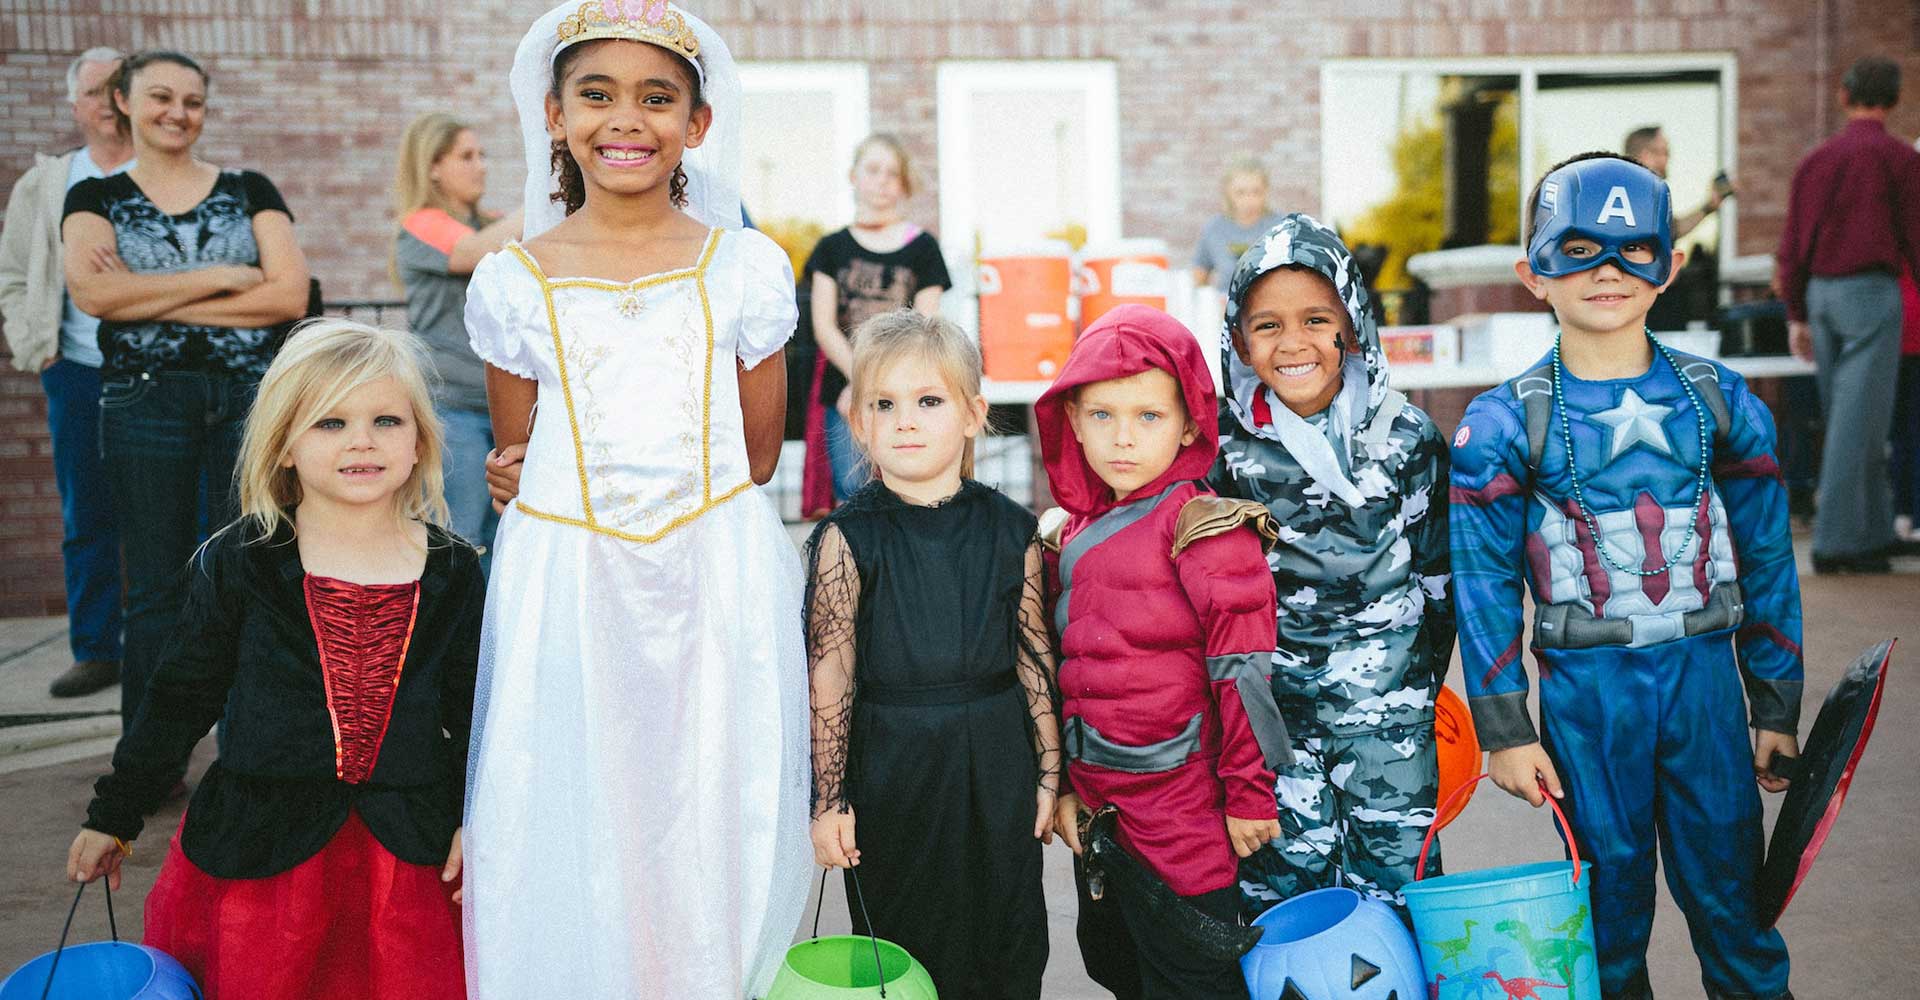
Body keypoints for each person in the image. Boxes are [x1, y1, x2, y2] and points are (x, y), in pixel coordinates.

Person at [459, 4, 809, 996]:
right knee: (577, 792)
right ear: (555, 115)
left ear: (697, 124)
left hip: (709, 567)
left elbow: (755, 448)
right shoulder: (515, 279)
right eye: (598, 95)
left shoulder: (739, 268)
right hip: (569, 572)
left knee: (708, 789)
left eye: (658, 98)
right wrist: (524, 474)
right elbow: (520, 449)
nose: (628, 119)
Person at [1452, 152, 1802, 1000]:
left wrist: (1776, 702)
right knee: (1604, 920)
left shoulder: (1720, 398)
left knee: (1736, 907)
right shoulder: (1503, 422)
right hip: (1585, 693)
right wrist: (1504, 728)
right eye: (1576, 249)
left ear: (1668, 267)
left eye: (1632, 250)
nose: (1606, 270)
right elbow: (1484, 581)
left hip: (1704, 687)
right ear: (1532, 273)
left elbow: (1765, 556)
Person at [65, 319, 482, 1000]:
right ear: (284, 444)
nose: (361, 440)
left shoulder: (455, 571)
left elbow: (475, 710)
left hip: (410, 854)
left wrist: (476, 817)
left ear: (419, 442)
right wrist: (115, 813)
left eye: (385, 420)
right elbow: (180, 696)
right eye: (329, 423)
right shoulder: (242, 562)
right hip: (263, 851)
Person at [61, 49, 310, 758]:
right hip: (144, 403)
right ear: (124, 103)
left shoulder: (250, 186)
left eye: (193, 100)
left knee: (248, 573)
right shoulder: (94, 199)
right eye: (161, 97)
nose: (178, 112)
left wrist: (151, 297)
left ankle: (249, 750)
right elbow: (95, 296)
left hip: (246, 401)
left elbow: (288, 296)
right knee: (157, 589)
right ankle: (151, 756)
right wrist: (229, 278)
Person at [1037, 304, 1290, 999]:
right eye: (1102, 416)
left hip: (1185, 814)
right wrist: (1064, 788)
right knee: (1119, 970)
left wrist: (1248, 793)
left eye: (1148, 416)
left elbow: (1244, 674)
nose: (1123, 438)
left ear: (1187, 423)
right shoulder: (1069, 532)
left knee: (1192, 978)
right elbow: (1065, 677)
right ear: (1073, 421)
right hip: (1101, 817)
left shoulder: (1203, 528)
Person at [805, 309, 1058, 1000]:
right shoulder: (847, 538)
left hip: (997, 758)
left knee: (1008, 939)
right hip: (895, 769)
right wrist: (828, 801)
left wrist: (1049, 773)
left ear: (973, 414)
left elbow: (1035, 651)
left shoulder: (1013, 529)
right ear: (858, 422)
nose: (906, 421)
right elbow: (831, 670)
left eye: (928, 401)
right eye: (884, 405)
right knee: (905, 945)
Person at [1209, 214, 1455, 915]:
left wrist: (1404, 689)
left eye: (1317, 319)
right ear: (1237, 338)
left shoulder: (1405, 436)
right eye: (1267, 326)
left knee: (1402, 895)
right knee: (1288, 905)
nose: (1294, 343)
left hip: (1389, 721)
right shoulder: (1224, 450)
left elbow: (1439, 584)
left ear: (1351, 323)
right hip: (1273, 731)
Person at [0, 47, 131, 698]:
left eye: (120, 87)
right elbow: (15, 273)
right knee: (87, 513)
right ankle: (97, 649)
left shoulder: (160, 171)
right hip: (76, 371)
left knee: (178, 513)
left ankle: (181, 648)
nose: (109, 101)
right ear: (75, 106)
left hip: (158, 374)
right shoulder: (47, 183)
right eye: (96, 91)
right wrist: (37, 349)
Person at [1775, 56, 1920, 574]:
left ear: (1843, 95)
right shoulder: (1900, 159)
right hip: (1871, 295)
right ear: (1895, 100)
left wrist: (1795, 311)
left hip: (1821, 296)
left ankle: (1875, 530)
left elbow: (1792, 240)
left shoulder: (1817, 160)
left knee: (1852, 416)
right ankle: (1837, 544)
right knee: (1859, 423)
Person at [392, 112, 523, 563]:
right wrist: (543, 202)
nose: (480, 165)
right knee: (458, 540)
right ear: (432, 166)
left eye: (481, 155)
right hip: (451, 408)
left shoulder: (495, 221)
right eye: (466, 156)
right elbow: (470, 252)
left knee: (509, 539)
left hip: (509, 407)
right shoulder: (422, 223)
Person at [801, 133, 951, 513]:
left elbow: (925, 325)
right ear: (854, 176)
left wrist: (882, 387)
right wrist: (862, 383)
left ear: (903, 184)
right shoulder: (831, 248)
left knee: (908, 489)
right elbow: (824, 326)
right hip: (846, 390)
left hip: (907, 390)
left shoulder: (923, 249)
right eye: (873, 169)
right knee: (854, 490)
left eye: (892, 173)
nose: (883, 180)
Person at [1622, 124, 1733, 240]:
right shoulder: (1632, 197)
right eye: (1665, 152)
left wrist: (1708, 207)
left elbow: (1673, 229)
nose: (1668, 158)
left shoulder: (1643, 197)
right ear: (1646, 155)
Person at [1190, 157, 1279, 291]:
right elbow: (1199, 277)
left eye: (1256, 192)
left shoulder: (1282, 227)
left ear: (1266, 191)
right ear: (1228, 193)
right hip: (1226, 305)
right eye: (1240, 193)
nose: (1249, 199)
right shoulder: (1214, 229)